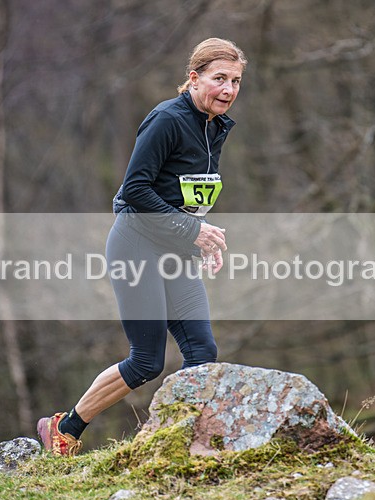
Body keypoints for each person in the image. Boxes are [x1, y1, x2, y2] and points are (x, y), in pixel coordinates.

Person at [37, 37, 247, 456]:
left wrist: (204, 238)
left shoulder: (215, 125)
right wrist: (192, 232)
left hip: (175, 250)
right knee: (147, 360)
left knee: (203, 352)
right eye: (219, 78)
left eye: (236, 81)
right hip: (136, 245)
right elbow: (135, 189)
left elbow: (187, 195)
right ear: (193, 78)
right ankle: (64, 428)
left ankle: (189, 445)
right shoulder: (167, 119)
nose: (228, 89)